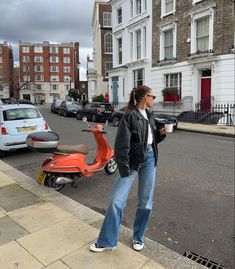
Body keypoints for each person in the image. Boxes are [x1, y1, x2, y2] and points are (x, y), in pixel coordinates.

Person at [90, 85, 166, 252]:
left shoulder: (150, 115)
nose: (154, 99)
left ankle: (138, 237)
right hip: (131, 162)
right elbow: (121, 146)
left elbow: (148, 141)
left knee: (146, 203)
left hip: (150, 159)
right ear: (145, 97)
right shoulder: (129, 116)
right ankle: (107, 241)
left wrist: (161, 134)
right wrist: (124, 169)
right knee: (117, 201)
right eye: (152, 96)